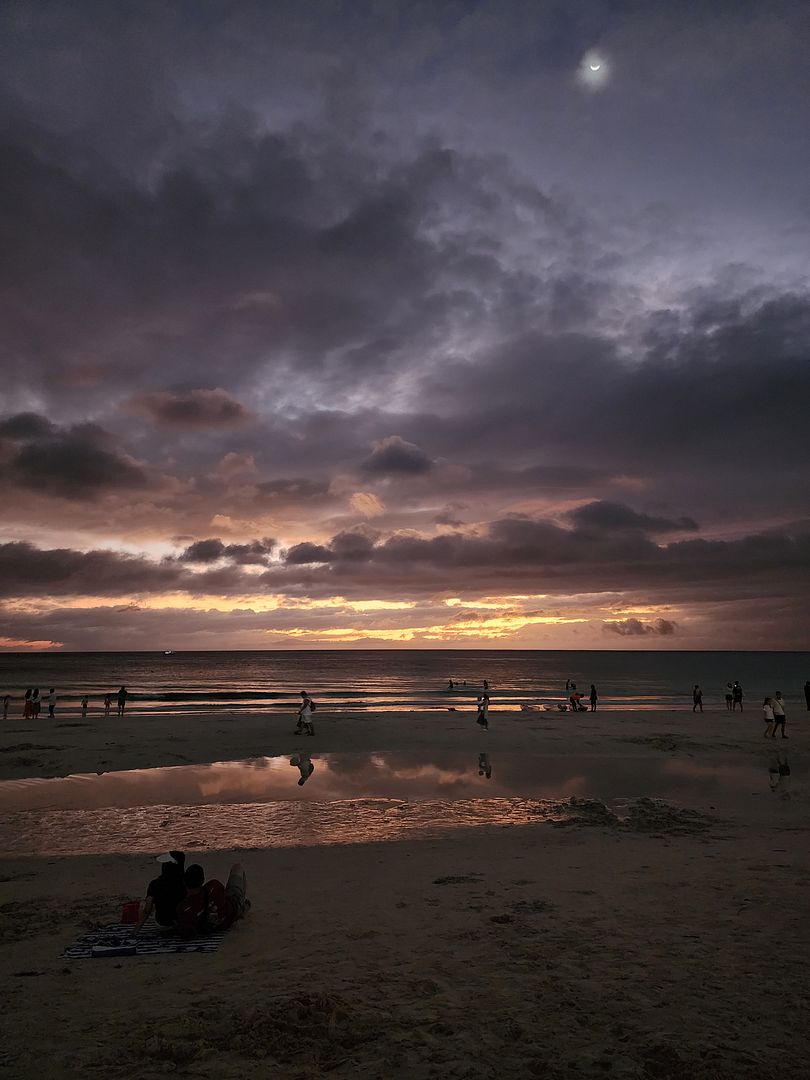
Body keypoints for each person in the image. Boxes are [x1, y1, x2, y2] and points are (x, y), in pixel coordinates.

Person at [174, 862, 249, 938]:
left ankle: (243, 905)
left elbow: (186, 928)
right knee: (237, 867)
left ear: (185, 883)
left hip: (216, 927)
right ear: (202, 880)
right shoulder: (214, 886)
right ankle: (243, 905)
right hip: (231, 913)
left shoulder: (182, 907)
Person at [133, 851, 187, 933]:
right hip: (182, 923)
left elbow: (147, 910)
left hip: (163, 924)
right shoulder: (186, 882)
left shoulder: (155, 884)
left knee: (144, 903)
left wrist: (135, 930)